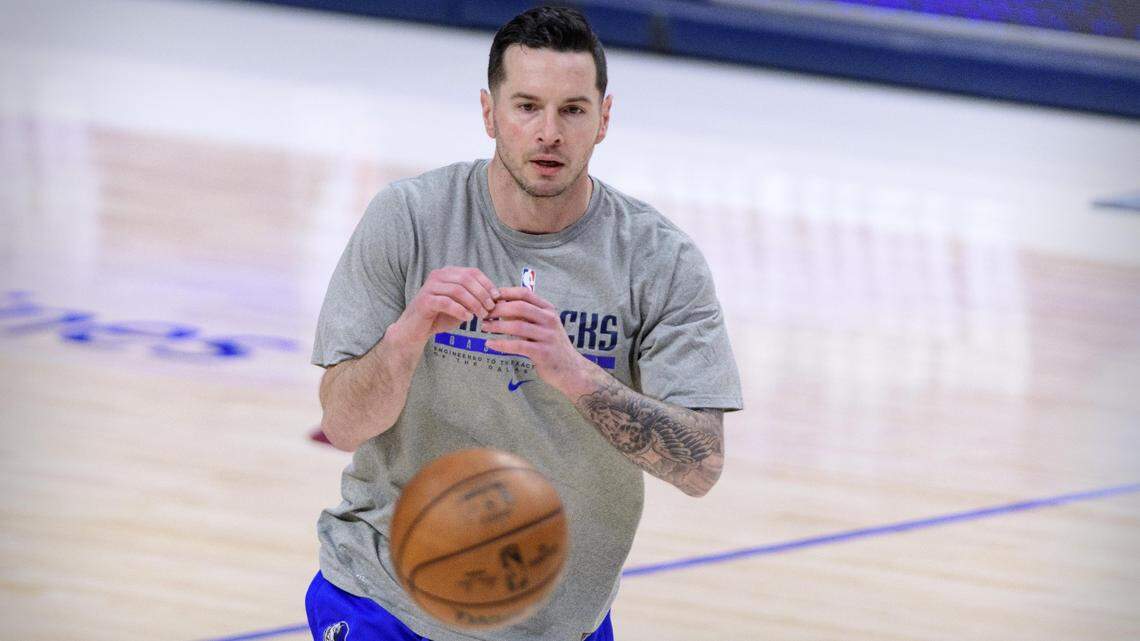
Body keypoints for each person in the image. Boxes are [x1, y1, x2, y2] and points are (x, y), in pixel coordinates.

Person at [306, 6, 743, 641]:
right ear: (489, 113)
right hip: (384, 595)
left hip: (555, 619)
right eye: (526, 106)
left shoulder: (658, 260)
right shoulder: (409, 218)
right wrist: (408, 334)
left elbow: (700, 467)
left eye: (572, 110)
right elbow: (342, 425)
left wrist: (574, 374)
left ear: (604, 119)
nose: (549, 133)